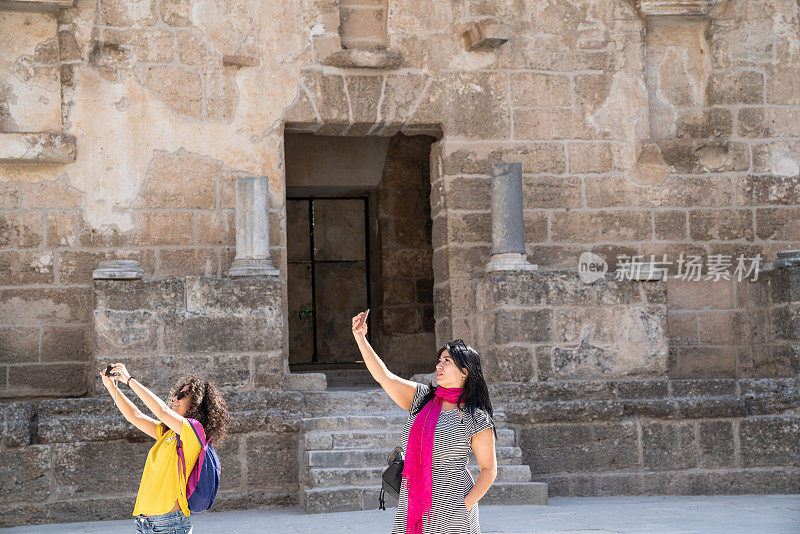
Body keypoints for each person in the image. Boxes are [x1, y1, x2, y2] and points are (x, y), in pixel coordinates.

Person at [351, 310, 498, 534]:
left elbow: (488, 470)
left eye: (447, 361)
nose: (439, 365)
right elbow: (384, 376)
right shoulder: (421, 399)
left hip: (454, 508)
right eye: (439, 360)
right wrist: (361, 339)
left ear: (465, 371)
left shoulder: (475, 417)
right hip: (414, 505)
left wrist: (463, 507)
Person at [100, 364, 231, 534]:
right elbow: (136, 416)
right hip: (145, 523)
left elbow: (161, 411)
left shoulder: (194, 431)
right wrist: (111, 387)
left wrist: (129, 380)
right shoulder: (168, 433)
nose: (175, 398)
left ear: (198, 403)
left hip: (169, 524)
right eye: (177, 393)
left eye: (183, 395)